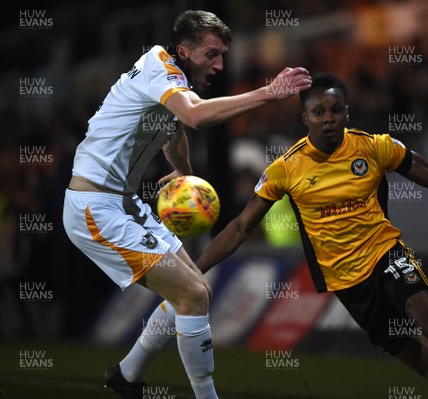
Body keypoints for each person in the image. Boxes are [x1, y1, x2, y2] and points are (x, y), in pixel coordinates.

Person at [195, 72, 428, 399]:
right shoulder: (285, 168)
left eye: (335, 110)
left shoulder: (375, 147)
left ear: (347, 113)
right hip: (349, 286)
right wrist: (195, 272)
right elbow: (240, 226)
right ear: (306, 119)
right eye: (319, 112)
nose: (328, 118)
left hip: (386, 256)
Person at [62, 9, 311, 399]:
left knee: (197, 291)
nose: (219, 64)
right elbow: (193, 116)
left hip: (122, 204)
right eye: (212, 54)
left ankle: (126, 376)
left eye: (222, 55)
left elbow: (172, 130)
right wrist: (268, 92)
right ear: (183, 50)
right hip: (94, 208)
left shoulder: (168, 77)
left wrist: (184, 172)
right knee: (192, 295)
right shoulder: (159, 68)